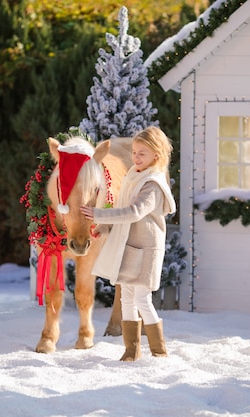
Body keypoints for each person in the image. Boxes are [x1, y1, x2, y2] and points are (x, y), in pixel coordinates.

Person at [80, 126, 176, 362]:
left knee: (142, 298)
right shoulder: (134, 174)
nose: (135, 157)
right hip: (129, 247)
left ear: (157, 155)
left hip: (145, 250)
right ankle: (131, 349)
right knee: (127, 298)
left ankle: (159, 349)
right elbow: (121, 209)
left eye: (142, 153)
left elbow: (134, 212)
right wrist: (103, 227)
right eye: (134, 152)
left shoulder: (152, 184)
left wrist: (98, 214)